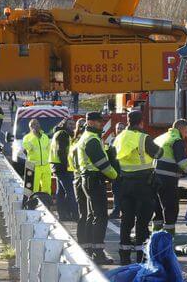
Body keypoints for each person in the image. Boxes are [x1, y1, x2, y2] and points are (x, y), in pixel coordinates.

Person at [112, 111, 163, 265]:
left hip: (124, 184)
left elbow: (112, 157)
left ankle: (124, 256)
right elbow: (159, 153)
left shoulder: (118, 138)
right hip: (143, 185)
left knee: (126, 220)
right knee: (142, 221)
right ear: (141, 122)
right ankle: (142, 257)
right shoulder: (143, 138)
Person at [77, 112, 118, 264]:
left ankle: (90, 249)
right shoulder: (91, 139)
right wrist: (115, 176)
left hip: (87, 179)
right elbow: (102, 163)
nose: (102, 124)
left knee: (92, 216)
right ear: (92, 122)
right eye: (100, 122)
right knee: (100, 217)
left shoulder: (88, 137)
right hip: (94, 179)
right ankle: (98, 254)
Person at [49, 118, 78, 221]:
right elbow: (61, 151)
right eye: (69, 124)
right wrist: (67, 166)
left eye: (73, 124)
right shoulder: (63, 134)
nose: (72, 126)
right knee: (70, 191)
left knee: (60, 192)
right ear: (64, 124)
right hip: (62, 166)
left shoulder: (60, 133)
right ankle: (75, 214)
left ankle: (63, 215)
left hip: (57, 166)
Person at [70, 119, 89, 250]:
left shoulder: (74, 142)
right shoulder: (82, 143)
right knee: (87, 213)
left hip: (76, 178)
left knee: (83, 213)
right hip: (82, 178)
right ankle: (85, 241)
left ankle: (82, 241)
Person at [22, 119, 52, 195]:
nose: (37, 125)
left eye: (37, 123)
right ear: (30, 127)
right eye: (34, 124)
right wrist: (34, 136)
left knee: (47, 187)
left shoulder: (45, 136)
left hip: (45, 166)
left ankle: (46, 203)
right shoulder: (27, 137)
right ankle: (32, 204)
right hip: (33, 166)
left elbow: (49, 150)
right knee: (33, 189)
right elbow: (27, 147)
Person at [108, 122, 126, 219]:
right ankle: (116, 212)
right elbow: (110, 156)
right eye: (118, 128)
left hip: (125, 171)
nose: (120, 130)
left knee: (125, 193)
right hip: (115, 171)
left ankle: (124, 212)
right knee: (116, 193)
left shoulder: (127, 140)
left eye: (122, 128)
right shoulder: (112, 141)